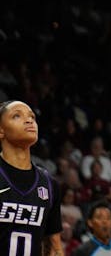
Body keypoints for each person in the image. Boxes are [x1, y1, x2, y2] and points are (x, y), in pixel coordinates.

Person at [0, 100, 63, 256]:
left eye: (32, 117)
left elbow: (54, 247)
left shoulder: (49, 183)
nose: (29, 120)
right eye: (16, 116)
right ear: (1, 130)